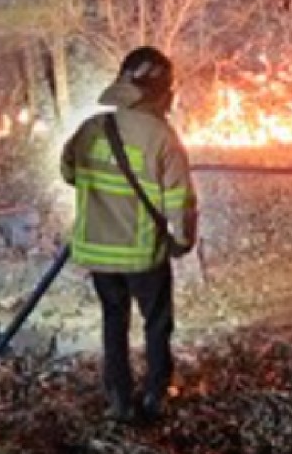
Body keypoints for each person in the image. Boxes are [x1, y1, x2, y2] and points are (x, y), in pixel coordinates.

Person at [61, 47, 198, 425]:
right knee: (156, 322)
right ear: (160, 91)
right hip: (141, 255)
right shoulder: (161, 137)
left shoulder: (92, 128)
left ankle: (119, 397)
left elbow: (68, 173)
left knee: (113, 320)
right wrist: (183, 241)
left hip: (98, 254)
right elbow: (179, 204)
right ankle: (156, 392)